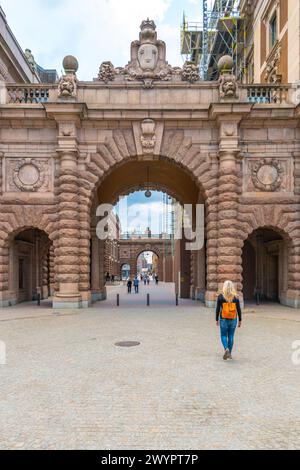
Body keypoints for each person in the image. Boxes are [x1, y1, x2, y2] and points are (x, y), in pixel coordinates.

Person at [216, 280, 242, 361]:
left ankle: (226, 349)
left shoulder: (220, 297)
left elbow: (217, 309)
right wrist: (240, 320)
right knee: (231, 336)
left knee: (223, 335)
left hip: (223, 318)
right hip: (233, 318)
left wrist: (216, 319)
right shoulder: (236, 297)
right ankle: (229, 353)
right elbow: (238, 309)